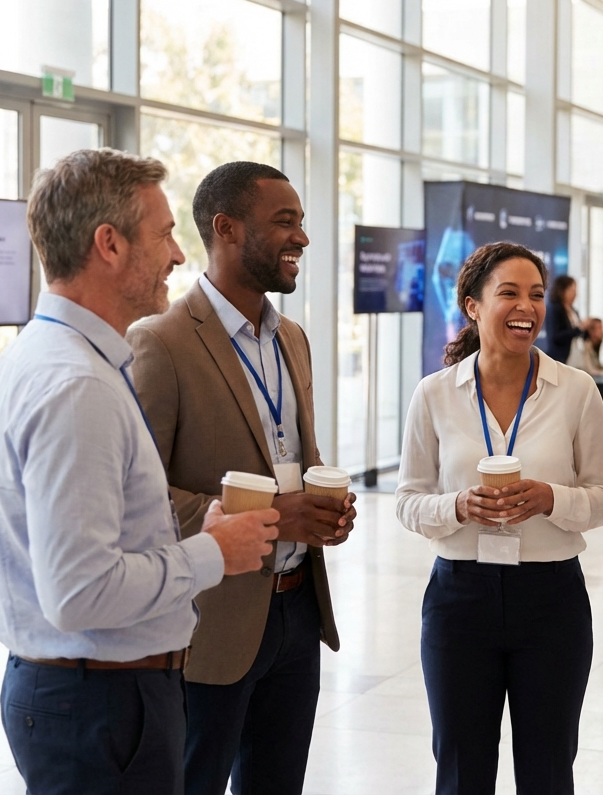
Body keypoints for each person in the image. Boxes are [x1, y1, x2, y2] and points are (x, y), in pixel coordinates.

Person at [0, 149, 281, 795]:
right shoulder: (76, 384)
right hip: (102, 706)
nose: (177, 254)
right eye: (165, 233)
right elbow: (80, 591)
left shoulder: (59, 357)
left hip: (92, 697)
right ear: (108, 245)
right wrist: (211, 555)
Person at [128, 162, 356, 795]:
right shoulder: (161, 342)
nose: (303, 238)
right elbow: (139, 496)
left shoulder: (295, 341)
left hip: (297, 611)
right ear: (225, 229)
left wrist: (322, 509)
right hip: (211, 622)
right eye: (285, 222)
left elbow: (293, 459)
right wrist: (275, 517)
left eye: (302, 222)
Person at [396, 241, 603, 795]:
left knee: (547, 768)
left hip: (551, 601)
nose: (528, 307)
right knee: (460, 768)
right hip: (458, 601)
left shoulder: (576, 391)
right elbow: (407, 499)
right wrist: (457, 506)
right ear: (473, 306)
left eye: (538, 295)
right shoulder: (434, 395)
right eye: (510, 293)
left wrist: (552, 499)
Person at [544, 273, 589, 364]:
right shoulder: (554, 309)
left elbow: (579, 334)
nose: (575, 294)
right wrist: (578, 329)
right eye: (572, 290)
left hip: (576, 356)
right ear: (562, 290)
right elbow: (555, 336)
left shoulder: (574, 311)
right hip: (560, 357)